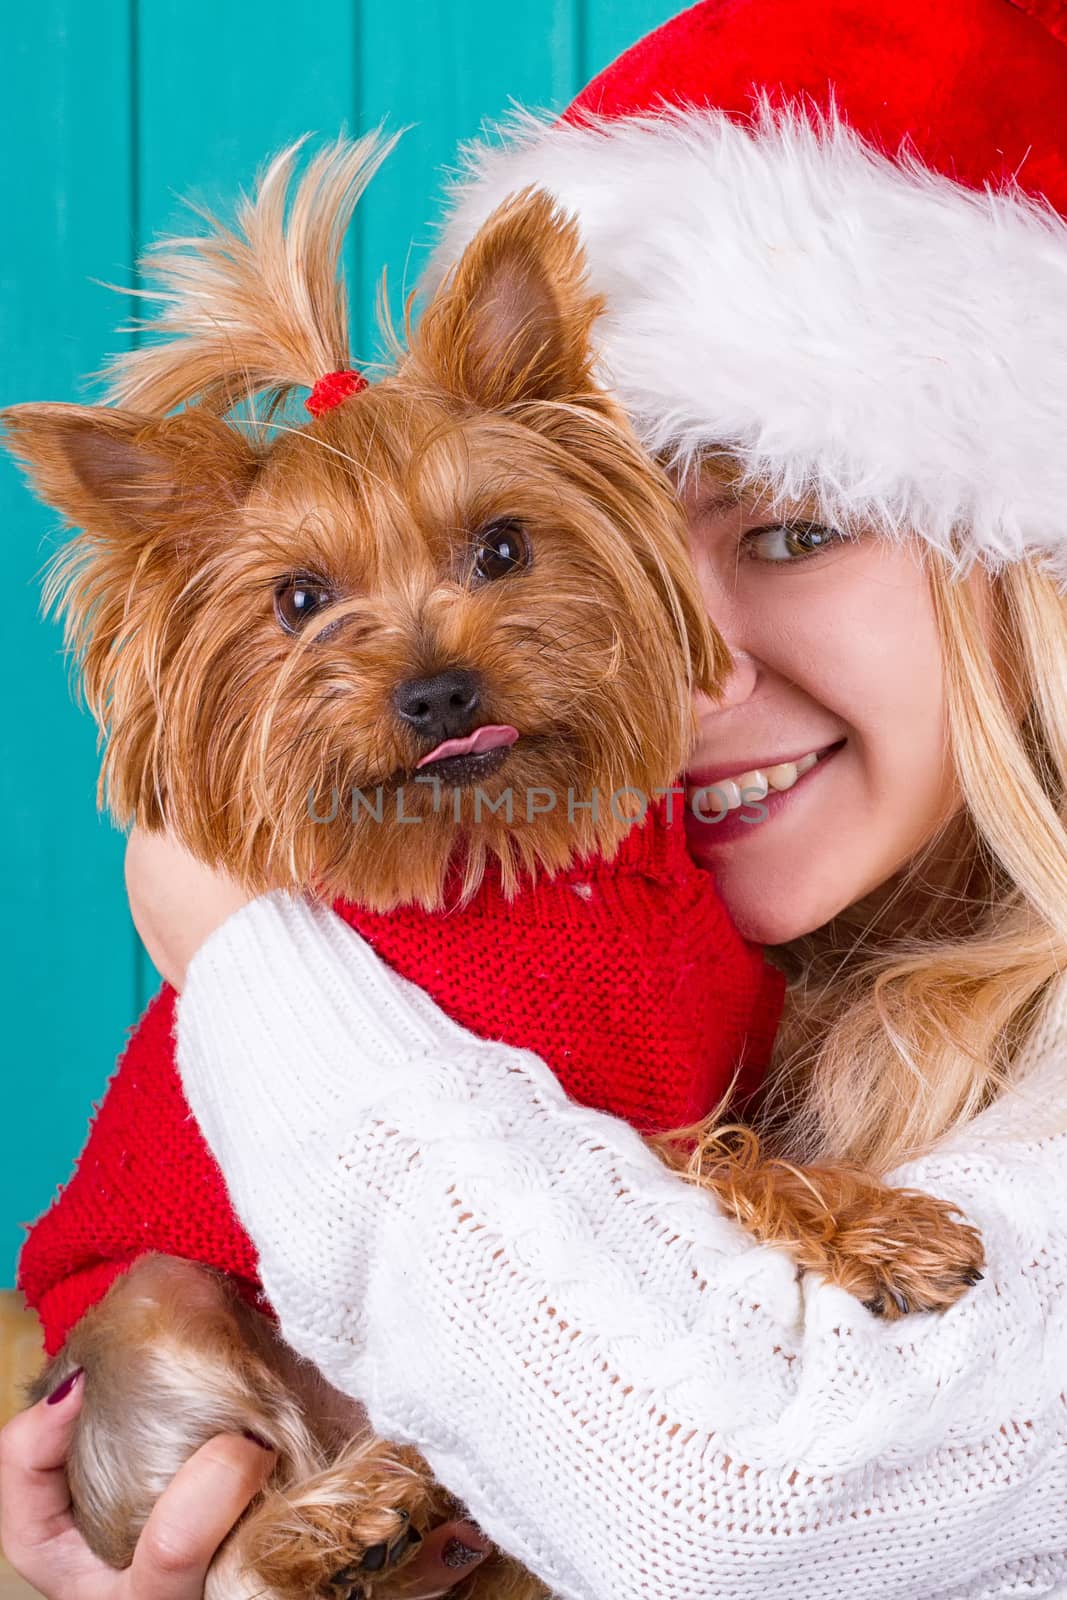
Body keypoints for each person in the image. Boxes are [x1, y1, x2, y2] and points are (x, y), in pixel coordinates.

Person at [7, 0, 1067, 1594]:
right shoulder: (733, 975)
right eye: (619, 552)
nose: (679, 670)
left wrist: (250, 957)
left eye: (790, 533)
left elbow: (718, 1502)